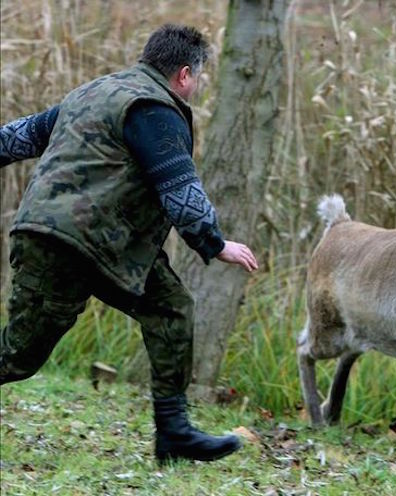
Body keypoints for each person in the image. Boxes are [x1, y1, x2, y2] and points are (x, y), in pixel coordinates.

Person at [0, 24, 259, 463]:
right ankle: (174, 432)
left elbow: (16, 138)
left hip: (99, 244)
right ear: (183, 74)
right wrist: (215, 244)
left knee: (172, 308)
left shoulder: (94, 92)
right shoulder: (155, 110)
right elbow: (180, 189)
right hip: (65, 244)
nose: (195, 88)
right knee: (18, 356)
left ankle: (174, 433)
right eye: (197, 79)